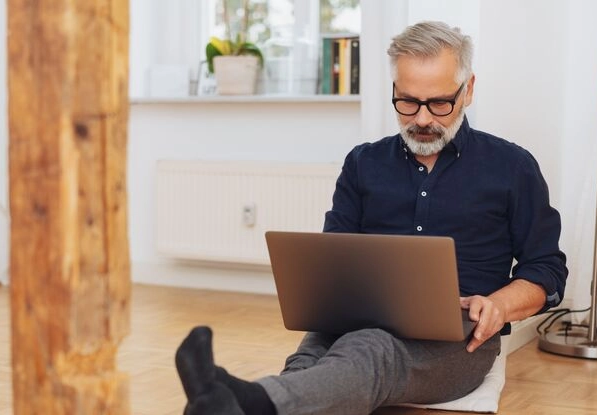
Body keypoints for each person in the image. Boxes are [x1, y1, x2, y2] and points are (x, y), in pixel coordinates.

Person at [174, 21, 568, 415]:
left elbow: (547, 270)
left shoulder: (511, 166)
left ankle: (238, 397)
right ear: (394, 90)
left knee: (369, 349)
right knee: (317, 348)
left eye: (439, 104)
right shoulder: (363, 163)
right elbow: (333, 259)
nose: (423, 119)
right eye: (408, 102)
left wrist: (498, 304)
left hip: (460, 342)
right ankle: (231, 402)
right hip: (357, 320)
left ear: (468, 90)